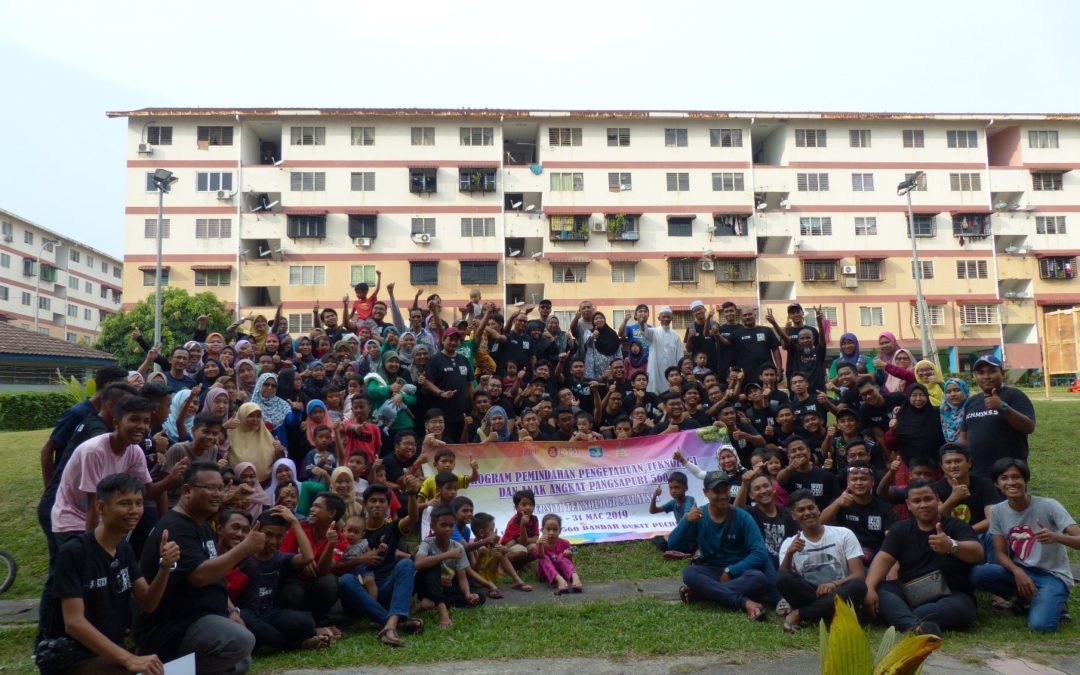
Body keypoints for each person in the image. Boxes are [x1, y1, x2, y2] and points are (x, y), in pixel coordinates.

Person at [36, 474, 179, 675]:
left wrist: (165, 567)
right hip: (75, 657)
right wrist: (128, 659)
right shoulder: (75, 552)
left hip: (113, 651)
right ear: (101, 508)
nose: (135, 510)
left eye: (138, 503)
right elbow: (73, 623)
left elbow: (148, 602)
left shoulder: (123, 549)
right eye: (125, 504)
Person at [135, 461, 259, 673]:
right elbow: (199, 576)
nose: (218, 494)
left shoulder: (200, 524)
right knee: (240, 642)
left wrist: (231, 610)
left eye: (221, 488)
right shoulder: (176, 527)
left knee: (241, 660)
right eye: (211, 488)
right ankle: (164, 672)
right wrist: (245, 547)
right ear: (187, 490)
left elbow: (216, 577)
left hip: (203, 619)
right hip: (173, 626)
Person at [971, 458, 1080, 632]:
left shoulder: (1049, 506)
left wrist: (1057, 537)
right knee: (978, 574)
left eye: (1017, 477)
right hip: (1021, 571)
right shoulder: (998, 511)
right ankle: (1026, 599)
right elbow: (999, 553)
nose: (1011, 482)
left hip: (1051, 575)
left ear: (1026, 480)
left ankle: (1052, 600)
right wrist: (1017, 571)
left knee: (1040, 626)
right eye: (1004, 478)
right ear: (997, 484)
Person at [863, 479, 984, 635]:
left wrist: (951, 545)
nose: (923, 505)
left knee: (957, 609)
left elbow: (978, 553)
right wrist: (869, 588)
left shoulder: (956, 526)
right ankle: (914, 626)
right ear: (908, 505)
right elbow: (883, 558)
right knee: (880, 591)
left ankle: (902, 618)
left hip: (952, 594)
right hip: (910, 591)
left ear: (937, 499)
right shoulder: (900, 529)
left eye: (928, 499)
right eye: (917, 501)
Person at [668, 471, 771, 621]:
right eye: (717, 491)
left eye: (725, 491)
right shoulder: (698, 515)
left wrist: (731, 570)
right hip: (710, 569)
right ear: (706, 493)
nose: (722, 496)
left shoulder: (742, 517)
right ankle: (744, 602)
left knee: (758, 578)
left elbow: (760, 552)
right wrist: (686, 521)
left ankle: (703, 593)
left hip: (738, 572)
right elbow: (672, 544)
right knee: (689, 573)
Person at [336, 482, 425, 647]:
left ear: (388, 505)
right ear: (365, 504)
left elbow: (412, 518)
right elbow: (337, 564)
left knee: (406, 564)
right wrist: (362, 560)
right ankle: (397, 622)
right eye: (373, 501)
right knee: (346, 580)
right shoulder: (352, 529)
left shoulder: (392, 527)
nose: (377, 504)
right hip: (361, 594)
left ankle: (390, 625)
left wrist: (412, 494)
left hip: (386, 588)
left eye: (382, 501)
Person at [236, 507, 332, 652]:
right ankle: (295, 645)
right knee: (246, 620)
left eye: (279, 536)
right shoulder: (242, 556)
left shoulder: (281, 558)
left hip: (270, 614)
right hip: (246, 615)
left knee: (306, 622)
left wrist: (295, 522)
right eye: (268, 534)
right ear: (256, 530)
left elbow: (308, 557)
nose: (273, 541)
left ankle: (268, 641)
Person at [777, 489, 867, 633]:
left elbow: (858, 574)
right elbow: (783, 579)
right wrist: (789, 554)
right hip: (811, 593)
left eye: (811, 507)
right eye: (801, 510)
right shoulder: (789, 543)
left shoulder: (843, 534)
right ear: (794, 516)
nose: (807, 513)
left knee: (857, 586)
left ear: (818, 509)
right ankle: (824, 612)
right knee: (782, 576)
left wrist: (833, 584)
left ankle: (801, 614)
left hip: (838, 590)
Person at [958, 355, 1036, 478]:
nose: (986, 377)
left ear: (1002, 373)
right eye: (981, 373)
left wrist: (1002, 407)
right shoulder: (971, 402)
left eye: (992, 371)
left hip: (1008, 473)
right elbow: (964, 436)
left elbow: (1029, 427)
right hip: (977, 473)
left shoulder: (1014, 395)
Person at [414, 505, 484, 628]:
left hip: (446, 587)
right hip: (426, 585)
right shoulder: (427, 543)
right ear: (433, 526)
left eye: (451, 526)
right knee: (433, 567)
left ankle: (430, 604)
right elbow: (418, 564)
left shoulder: (458, 547)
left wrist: (467, 594)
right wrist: (446, 555)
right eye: (443, 525)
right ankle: (442, 610)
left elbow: (462, 577)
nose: (448, 529)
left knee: (480, 597)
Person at [819, 460, 896, 561]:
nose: (859, 483)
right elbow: (820, 522)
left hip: (876, 559)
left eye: (863, 479)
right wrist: (837, 503)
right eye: (854, 479)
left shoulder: (884, 507)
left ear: (872, 482)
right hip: (846, 556)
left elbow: (890, 539)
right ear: (848, 483)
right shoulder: (840, 503)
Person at [648, 471, 696, 558]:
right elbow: (653, 511)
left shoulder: (689, 500)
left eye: (677, 487)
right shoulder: (673, 503)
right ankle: (679, 553)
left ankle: (677, 552)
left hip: (690, 539)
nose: (673, 491)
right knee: (656, 538)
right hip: (679, 537)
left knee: (670, 541)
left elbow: (686, 516)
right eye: (671, 488)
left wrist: (672, 535)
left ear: (686, 488)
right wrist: (655, 496)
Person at [640, 307, 685, 395]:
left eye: (668, 317)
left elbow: (680, 356)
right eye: (663, 317)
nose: (666, 319)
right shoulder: (653, 332)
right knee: (654, 391)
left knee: (671, 392)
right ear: (659, 318)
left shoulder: (675, 335)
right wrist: (642, 323)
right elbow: (644, 331)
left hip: (671, 368)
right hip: (655, 368)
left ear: (672, 318)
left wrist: (680, 371)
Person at [534, 514, 582, 594]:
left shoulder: (564, 543)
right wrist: (539, 545)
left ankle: (575, 576)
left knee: (561, 556)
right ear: (542, 530)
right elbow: (540, 555)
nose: (551, 532)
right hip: (545, 574)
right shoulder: (540, 543)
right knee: (543, 557)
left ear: (560, 531)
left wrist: (569, 552)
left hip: (562, 571)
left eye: (555, 529)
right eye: (548, 529)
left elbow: (575, 549)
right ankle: (559, 580)